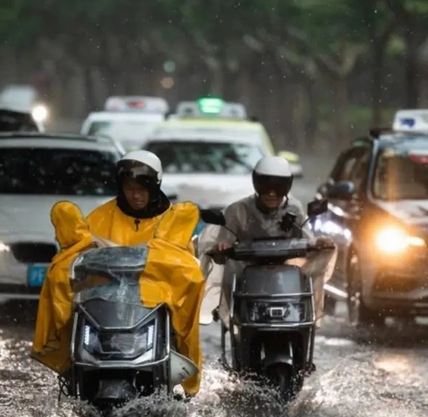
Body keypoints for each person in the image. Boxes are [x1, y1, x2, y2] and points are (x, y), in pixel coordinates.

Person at [201, 155, 336, 326]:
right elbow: (222, 244)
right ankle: (237, 323)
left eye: (278, 187)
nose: (272, 193)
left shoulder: (294, 209)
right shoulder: (238, 210)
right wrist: (223, 246)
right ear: (257, 184)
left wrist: (319, 243)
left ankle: (306, 320)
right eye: (266, 187)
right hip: (247, 278)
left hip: (285, 279)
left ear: (287, 186)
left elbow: (306, 238)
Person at [140, 201, 205, 398]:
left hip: (140, 315)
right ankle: (190, 388)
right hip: (168, 324)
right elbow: (189, 314)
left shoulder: (144, 250)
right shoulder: (190, 264)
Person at [31, 201, 96, 373]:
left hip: (80, 333)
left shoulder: (62, 265)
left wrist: (64, 333)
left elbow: (62, 314)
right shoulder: (98, 247)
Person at [86, 149, 173, 246]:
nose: (136, 195)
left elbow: (184, 258)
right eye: (129, 188)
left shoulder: (173, 222)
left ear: (154, 188)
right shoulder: (99, 219)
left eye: (142, 189)